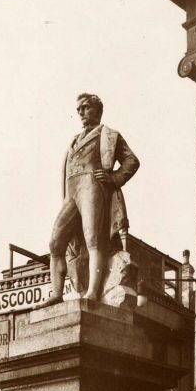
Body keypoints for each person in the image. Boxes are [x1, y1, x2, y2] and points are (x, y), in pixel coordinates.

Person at [43, 93, 140, 305]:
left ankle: (93, 292)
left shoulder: (109, 134)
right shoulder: (74, 140)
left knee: (93, 239)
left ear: (97, 109)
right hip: (72, 193)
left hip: (92, 188)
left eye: (85, 107)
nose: (81, 112)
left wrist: (114, 178)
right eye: (79, 109)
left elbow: (131, 161)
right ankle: (57, 293)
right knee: (55, 243)